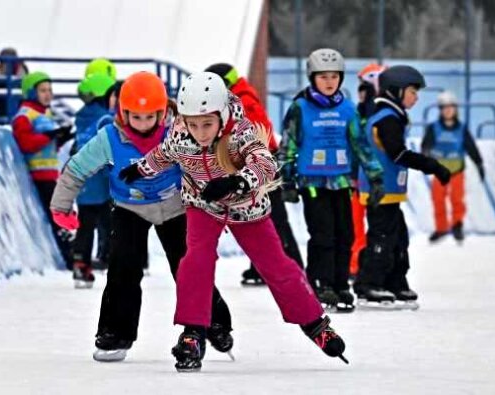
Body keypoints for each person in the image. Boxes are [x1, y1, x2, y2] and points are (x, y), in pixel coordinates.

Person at [121, 71, 347, 372]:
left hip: (246, 207)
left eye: (207, 124)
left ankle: (315, 323)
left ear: (223, 115)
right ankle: (192, 332)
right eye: (193, 124)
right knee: (195, 260)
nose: (200, 132)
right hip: (202, 204)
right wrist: (141, 168)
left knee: (276, 265)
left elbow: (266, 164)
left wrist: (237, 183)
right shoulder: (180, 132)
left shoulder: (240, 133)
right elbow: (164, 153)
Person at [50, 71, 234, 362]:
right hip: (129, 208)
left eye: (151, 117)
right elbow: (76, 169)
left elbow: (208, 165)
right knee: (123, 267)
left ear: (163, 113)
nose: (144, 125)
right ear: (123, 113)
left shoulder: (180, 133)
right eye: (136, 117)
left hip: (175, 207)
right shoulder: (109, 137)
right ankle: (115, 333)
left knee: (189, 267)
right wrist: (61, 207)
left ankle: (215, 322)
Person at [277, 49, 384, 312]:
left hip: (341, 183)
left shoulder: (348, 109)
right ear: (313, 78)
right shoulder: (300, 109)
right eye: (323, 76)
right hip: (313, 183)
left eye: (334, 76)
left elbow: (360, 145)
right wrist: (286, 180)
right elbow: (288, 145)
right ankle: (321, 283)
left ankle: (340, 284)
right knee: (322, 234)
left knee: (344, 234)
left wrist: (375, 176)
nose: (329, 82)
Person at [354, 65, 452, 307]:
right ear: (396, 91)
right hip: (379, 189)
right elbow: (398, 154)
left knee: (398, 238)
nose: (416, 98)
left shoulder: (392, 115)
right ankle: (369, 283)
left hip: (389, 191)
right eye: (413, 92)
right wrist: (433, 166)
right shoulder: (387, 119)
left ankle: (394, 281)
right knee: (383, 236)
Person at [205, 63, 304, 287]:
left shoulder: (243, 102)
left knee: (275, 219)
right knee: (257, 216)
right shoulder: (241, 98)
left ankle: (293, 265)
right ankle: (261, 266)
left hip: (262, 165)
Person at [11, 71, 75, 273]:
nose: (48, 94)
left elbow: (48, 147)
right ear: (31, 92)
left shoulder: (44, 114)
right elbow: (26, 144)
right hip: (39, 176)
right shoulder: (24, 116)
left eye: (50, 90)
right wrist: (49, 136)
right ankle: (70, 256)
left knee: (63, 212)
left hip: (50, 174)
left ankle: (74, 252)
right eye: (42, 90)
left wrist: (60, 138)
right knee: (58, 215)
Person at [69, 73, 117, 273]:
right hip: (103, 184)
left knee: (85, 226)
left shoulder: (82, 119)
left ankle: (81, 262)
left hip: (84, 185)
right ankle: (108, 258)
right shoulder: (104, 120)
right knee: (108, 224)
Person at [422, 91, 485, 243]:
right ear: (440, 110)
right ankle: (441, 228)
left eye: (451, 107)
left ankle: (457, 226)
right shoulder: (433, 128)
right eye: (444, 108)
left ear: (455, 109)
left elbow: (471, 147)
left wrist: (479, 163)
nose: (448, 110)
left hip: (457, 171)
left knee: (457, 199)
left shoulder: (462, 129)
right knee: (437, 199)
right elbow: (425, 145)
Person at [350, 63, 387, 278]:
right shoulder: (359, 112)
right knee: (354, 225)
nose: (361, 93)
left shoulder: (383, 113)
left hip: (374, 179)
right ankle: (355, 264)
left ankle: (366, 265)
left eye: (365, 88)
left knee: (375, 226)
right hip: (357, 178)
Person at [0, 47, 29, 123]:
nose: (5, 65)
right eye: (3, 62)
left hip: (20, 114)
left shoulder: (23, 73)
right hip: (2, 114)